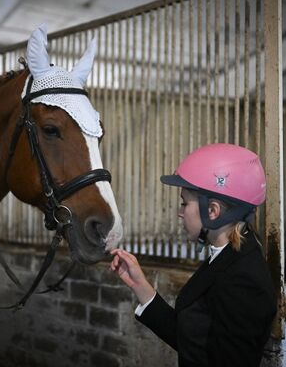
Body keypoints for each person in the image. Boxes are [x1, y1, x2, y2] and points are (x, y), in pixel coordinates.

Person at [110, 143, 276, 367]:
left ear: (213, 211)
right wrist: (141, 286)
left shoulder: (243, 280)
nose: (179, 212)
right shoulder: (227, 256)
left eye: (184, 203)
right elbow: (195, 342)